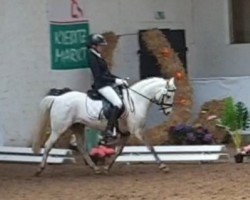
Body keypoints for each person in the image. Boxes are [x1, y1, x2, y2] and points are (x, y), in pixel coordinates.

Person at [88, 33, 128, 144]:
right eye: (100, 45)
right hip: (100, 85)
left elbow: (107, 73)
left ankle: (117, 127)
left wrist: (119, 79)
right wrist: (115, 81)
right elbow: (99, 75)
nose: (102, 48)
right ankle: (109, 130)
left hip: (106, 83)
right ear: (94, 46)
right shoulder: (92, 57)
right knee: (118, 103)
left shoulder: (98, 56)